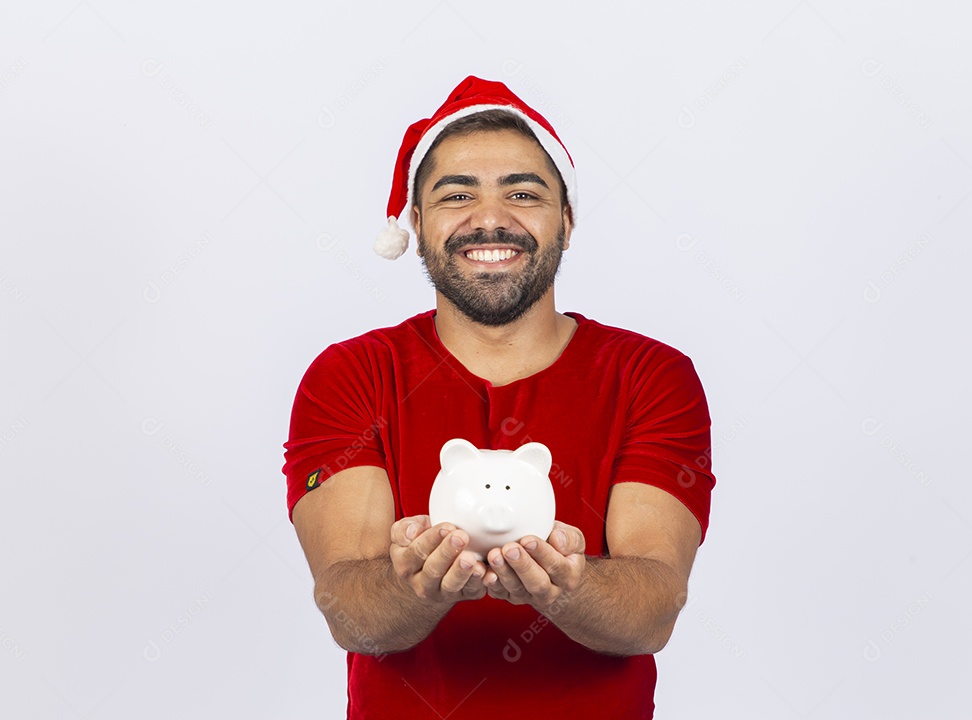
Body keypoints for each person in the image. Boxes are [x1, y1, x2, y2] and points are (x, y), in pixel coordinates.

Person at [283, 76, 716, 720]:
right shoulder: (350, 375)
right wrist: (417, 586)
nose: (490, 219)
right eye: (458, 194)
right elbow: (349, 611)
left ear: (566, 221)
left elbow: (653, 610)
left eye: (523, 193)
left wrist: (569, 586)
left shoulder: (650, 376)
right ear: (417, 223)